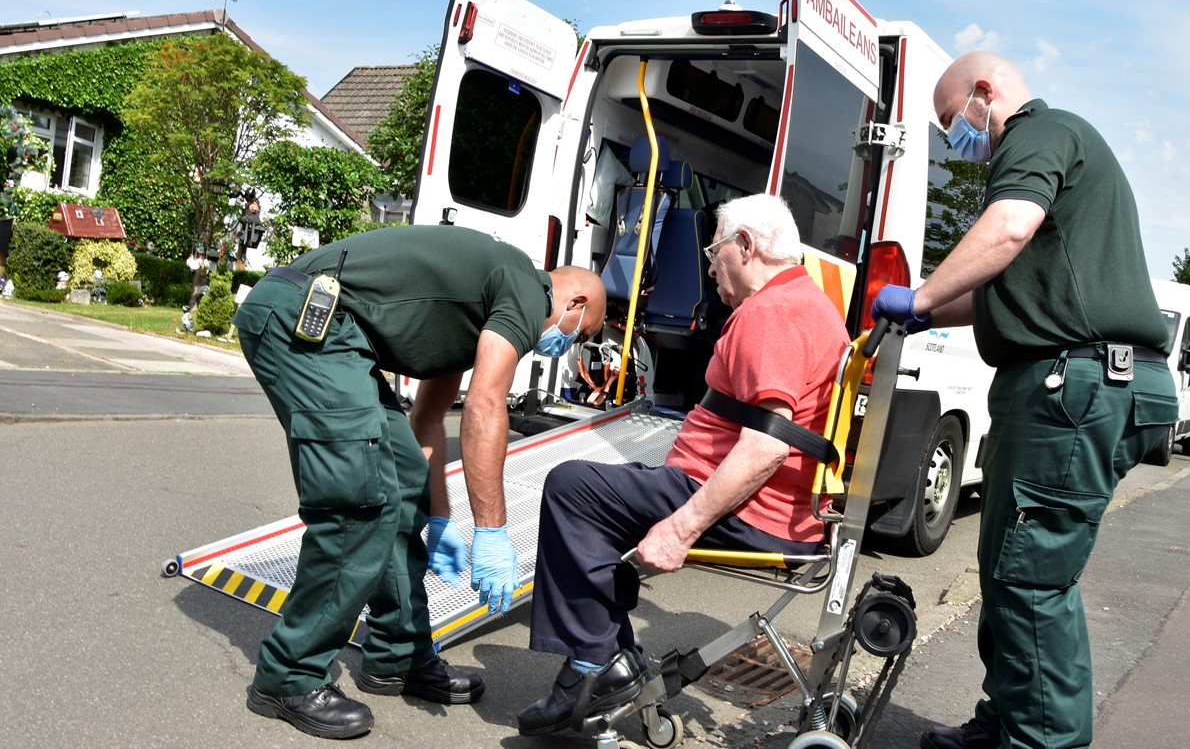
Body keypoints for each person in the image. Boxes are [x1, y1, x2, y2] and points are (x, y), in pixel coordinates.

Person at [872, 51, 1179, 749]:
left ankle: (1042, 742)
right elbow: (1003, 281)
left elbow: (1007, 228)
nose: (957, 139)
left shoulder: (1037, 133)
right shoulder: (1060, 155)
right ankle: (1007, 721)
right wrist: (927, 312)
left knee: (1031, 578)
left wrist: (920, 293)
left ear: (984, 93)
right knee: (1009, 568)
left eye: (952, 122)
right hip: (1072, 384)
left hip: (1074, 385)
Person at [233, 224, 605, 740]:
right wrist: (491, 532)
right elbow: (485, 404)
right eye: (581, 334)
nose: (568, 345)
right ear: (575, 302)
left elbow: (429, 421)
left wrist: (437, 515)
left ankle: (396, 655)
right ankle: (288, 675)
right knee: (357, 500)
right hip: (305, 320)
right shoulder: (525, 286)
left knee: (399, 481)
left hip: (338, 337)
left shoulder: (474, 313)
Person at [516, 193, 850, 737]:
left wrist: (681, 526)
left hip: (752, 513)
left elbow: (766, 446)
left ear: (745, 246)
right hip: (768, 504)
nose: (711, 263)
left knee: (572, 488)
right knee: (601, 499)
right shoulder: (806, 303)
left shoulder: (773, 314)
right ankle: (606, 661)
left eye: (714, 249)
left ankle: (593, 666)